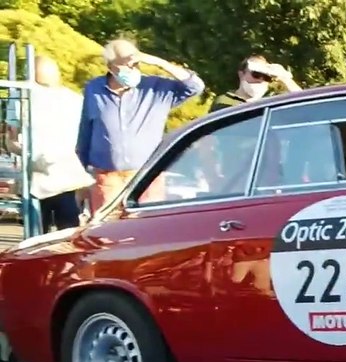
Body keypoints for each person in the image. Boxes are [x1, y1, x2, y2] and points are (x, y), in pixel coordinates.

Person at [76, 38, 204, 213]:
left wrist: (159, 62)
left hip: (146, 177)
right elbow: (86, 130)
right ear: (111, 66)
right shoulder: (94, 88)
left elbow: (195, 86)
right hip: (107, 177)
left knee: (146, 228)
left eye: (135, 64)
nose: (132, 69)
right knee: (106, 231)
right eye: (126, 65)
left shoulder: (156, 88)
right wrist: (83, 173)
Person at [14, 56, 93, 231]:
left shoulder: (24, 100)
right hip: (66, 178)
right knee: (67, 235)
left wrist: (21, 153)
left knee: (36, 235)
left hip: (39, 179)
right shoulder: (76, 100)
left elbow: (11, 141)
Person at [208, 55, 301, 113]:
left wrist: (285, 79)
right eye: (256, 74)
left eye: (266, 77)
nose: (261, 80)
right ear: (241, 74)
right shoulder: (224, 101)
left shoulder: (272, 103)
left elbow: (303, 105)